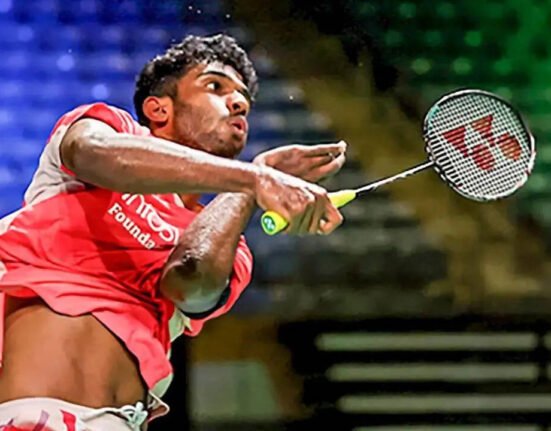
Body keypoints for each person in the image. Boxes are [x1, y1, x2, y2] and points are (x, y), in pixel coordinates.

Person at [0, 34, 346, 430]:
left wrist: (249, 185)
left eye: (244, 102)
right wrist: (254, 177)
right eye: (215, 86)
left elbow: (189, 285)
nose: (237, 103)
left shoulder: (226, 240)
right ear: (159, 109)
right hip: (33, 417)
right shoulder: (109, 129)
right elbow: (90, 152)